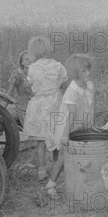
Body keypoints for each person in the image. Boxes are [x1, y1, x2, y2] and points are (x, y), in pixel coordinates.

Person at [45, 54, 95, 197]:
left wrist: (90, 126)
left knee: (82, 153)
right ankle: (51, 184)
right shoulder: (72, 91)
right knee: (63, 156)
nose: (88, 73)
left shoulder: (89, 85)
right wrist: (66, 135)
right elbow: (71, 115)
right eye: (84, 71)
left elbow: (90, 107)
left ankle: (80, 182)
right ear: (75, 74)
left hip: (83, 126)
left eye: (88, 70)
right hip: (69, 127)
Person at [23, 36, 68, 181]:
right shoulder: (58, 66)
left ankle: (42, 169)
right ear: (48, 49)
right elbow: (63, 85)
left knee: (40, 140)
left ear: (33, 52)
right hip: (55, 104)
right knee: (56, 136)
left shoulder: (32, 69)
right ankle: (56, 165)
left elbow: (30, 86)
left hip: (39, 106)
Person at [6, 50, 33, 127]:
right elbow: (10, 91)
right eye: (26, 59)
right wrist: (2, 108)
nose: (29, 61)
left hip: (36, 105)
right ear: (22, 62)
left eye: (31, 59)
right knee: (29, 128)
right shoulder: (17, 74)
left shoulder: (37, 73)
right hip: (23, 106)